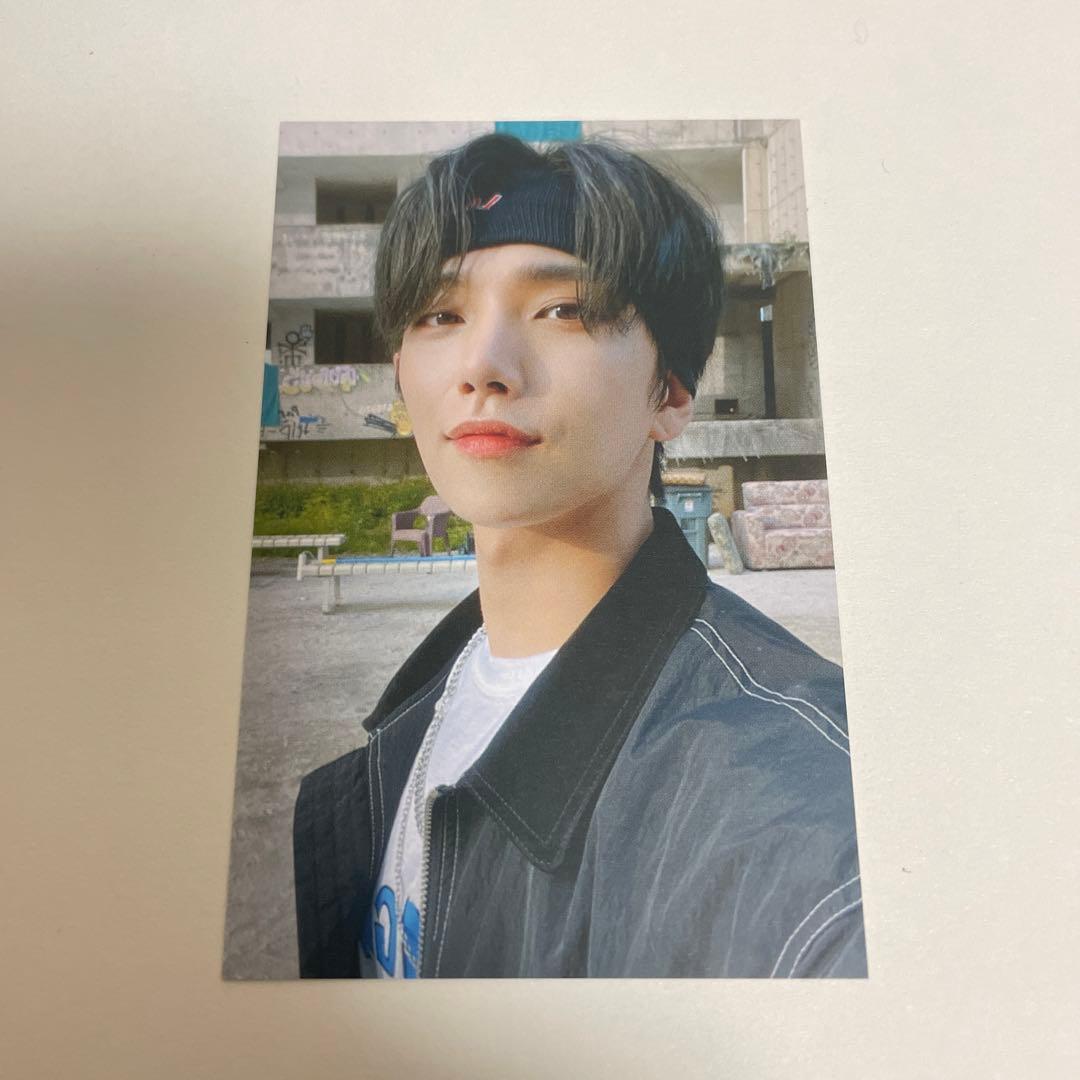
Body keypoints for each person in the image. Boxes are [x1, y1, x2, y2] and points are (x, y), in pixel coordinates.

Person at [293, 132, 866, 979]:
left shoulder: (803, 818)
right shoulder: (409, 726)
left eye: (562, 309)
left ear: (671, 392)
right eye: (441, 315)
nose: (483, 366)